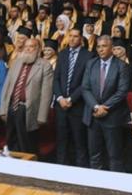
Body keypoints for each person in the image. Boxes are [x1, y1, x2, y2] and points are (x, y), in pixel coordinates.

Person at [82, 35, 131, 171]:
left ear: (112, 48)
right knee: (94, 155)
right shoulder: (91, 64)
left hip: (112, 117)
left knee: (114, 157)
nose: (100, 49)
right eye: (98, 46)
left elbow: (122, 91)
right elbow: (85, 88)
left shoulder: (121, 66)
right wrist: (96, 107)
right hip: (93, 116)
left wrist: (105, 107)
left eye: (104, 46)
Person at [0, 37, 54, 155]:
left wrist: (42, 117)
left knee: (27, 146)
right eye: (26, 47)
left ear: (38, 49)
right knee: (11, 144)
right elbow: (6, 87)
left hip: (28, 111)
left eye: (32, 46)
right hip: (12, 108)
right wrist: (3, 109)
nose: (28, 49)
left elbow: (46, 93)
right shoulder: (16, 62)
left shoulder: (45, 66)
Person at [55, 27, 95, 167]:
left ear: (81, 39)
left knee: (79, 143)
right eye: (70, 36)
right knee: (61, 142)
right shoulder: (62, 54)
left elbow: (86, 82)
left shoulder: (88, 56)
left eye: (75, 36)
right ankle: (60, 170)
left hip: (77, 106)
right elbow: (56, 79)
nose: (72, 39)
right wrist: (60, 98)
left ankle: (80, 173)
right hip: (61, 106)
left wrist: (71, 99)